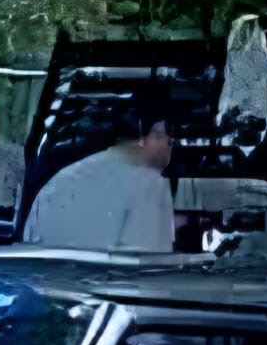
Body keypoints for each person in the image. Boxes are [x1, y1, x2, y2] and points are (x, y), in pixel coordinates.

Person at [21, 103, 175, 253]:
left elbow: (28, 250)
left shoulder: (58, 182)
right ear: (155, 135)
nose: (171, 148)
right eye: (169, 140)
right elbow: (149, 261)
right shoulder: (151, 187)